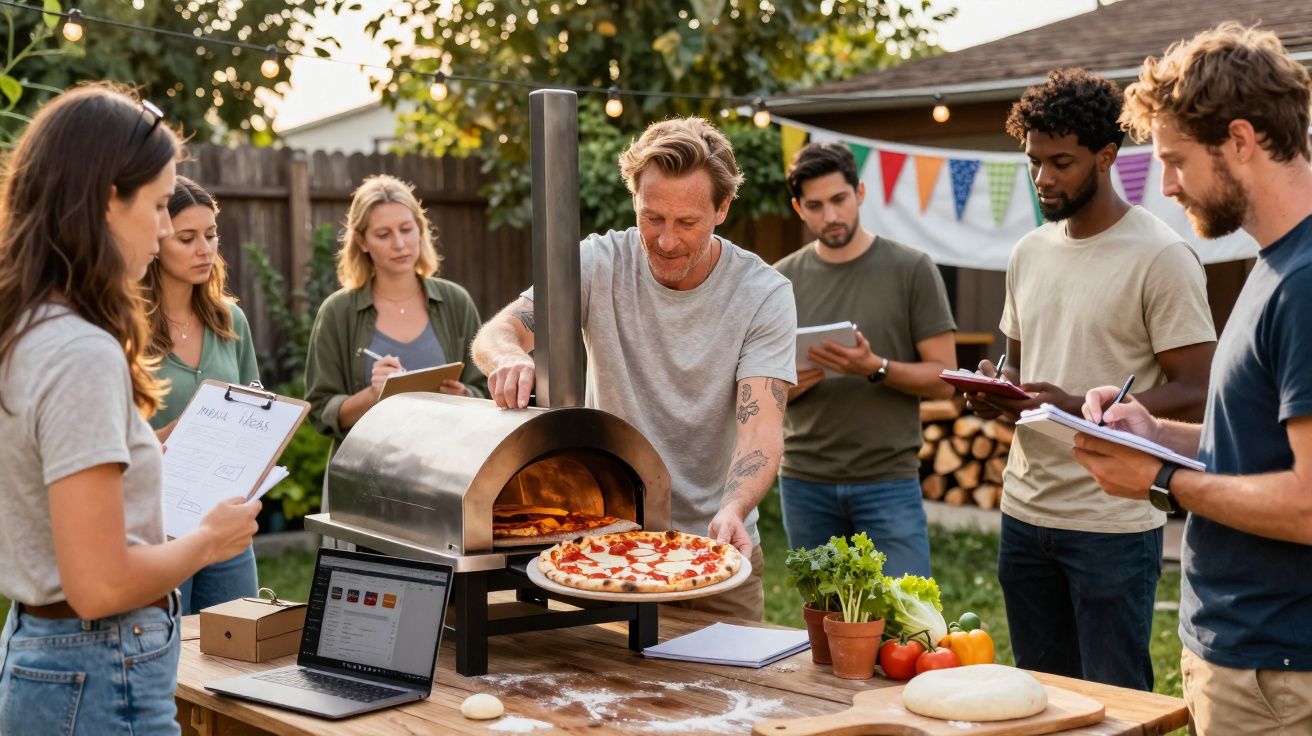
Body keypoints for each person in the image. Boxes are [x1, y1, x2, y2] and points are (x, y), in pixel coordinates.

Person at [1073, 24, 1312, 733]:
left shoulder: (1304, 283)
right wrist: (1156, 433)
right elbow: (1258, 446)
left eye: (1175, 160)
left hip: (1279, 673)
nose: (1166, 185)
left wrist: (1160, 480)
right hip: (1250, 659)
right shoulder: (1276, 264)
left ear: (1240, 139)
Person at [0, 85, 260, 734]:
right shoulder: (80, 350)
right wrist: (208, 541)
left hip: (54, 659)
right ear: (106, 201)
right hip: (99, 669)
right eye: (160, 204)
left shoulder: (27, 328)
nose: (166, 228)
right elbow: (100, 584)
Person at [472, 117, 796, 622]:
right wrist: (510, 357)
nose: (666, 241)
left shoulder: (763, 294)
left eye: (686, 223)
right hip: (607, 545)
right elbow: (498, 332)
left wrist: (733, 510)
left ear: (723, 208)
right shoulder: (597, 262)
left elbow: (760, 430)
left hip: (718, 549)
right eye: (652, 217)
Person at [968, 68, 1216, 691]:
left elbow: (1198, 387)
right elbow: (1021, 370)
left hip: (1114, 520)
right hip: (1025, 512)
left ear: (1106, 156)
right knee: (1040, 699)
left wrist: (1078, 405)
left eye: (1061, 163)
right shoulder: (1028, 251)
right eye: (1034, 162)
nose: (1043, 178)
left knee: (1115, 703)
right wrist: (996, 391)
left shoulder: (1161, 256)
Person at [774, 142, 957, 576]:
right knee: (823, 613)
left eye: (839, 199)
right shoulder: (778, 281)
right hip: (804, 480)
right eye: (815, 205)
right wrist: (785, 387)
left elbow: (945, 379)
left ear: (860, 192)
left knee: (906, 612)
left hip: (888, 480)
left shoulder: (912, 268)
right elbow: (752, 393)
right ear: (798, 208)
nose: (831, 216)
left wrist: (875, 367)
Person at [141, 176, 260, 615]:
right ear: (156, 241)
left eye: (210, 235)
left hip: (225, 514)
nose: (204, 249)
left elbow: (257, 405)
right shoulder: (126, 326)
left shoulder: (231, 320)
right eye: (187, 238)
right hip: (156, 525)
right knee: (170, 645)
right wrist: (172, 433)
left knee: (236, 639)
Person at [305, 174, 488, 456]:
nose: (400, 243)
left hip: (446, 467)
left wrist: (464, 396)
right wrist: (372, 395)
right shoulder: (337, 312)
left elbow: (486, 392)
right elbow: (320, 411)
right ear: (362, 241)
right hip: (364, 472)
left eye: (406, 229)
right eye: (383, 235)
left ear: (420, 230)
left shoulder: (456, 302)